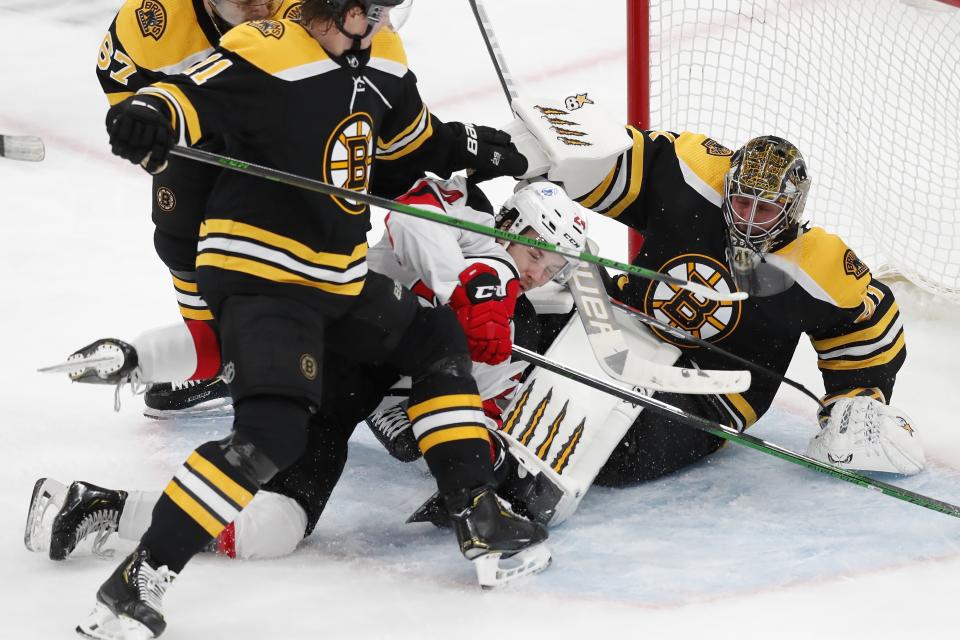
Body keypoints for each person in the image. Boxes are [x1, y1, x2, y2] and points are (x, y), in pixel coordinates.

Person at [73, 2, 545, 637]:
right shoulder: (269, 47)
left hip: (339, 279)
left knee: (432, 336)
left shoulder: (380, 58)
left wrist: (482, 148)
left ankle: (479, 514)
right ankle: (140, 578)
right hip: (261, 278)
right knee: (270, 434)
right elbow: (183, 96)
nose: (385, 24)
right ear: (348, 12)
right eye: (375, 12)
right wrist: (146, 116)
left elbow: (407, 146)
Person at [27, 177, 588, 563]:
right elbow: (410, 214)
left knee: (272, 532)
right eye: (537, 254)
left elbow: (462, 396)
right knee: (261, 338)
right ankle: (140, 359)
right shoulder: (471, 223)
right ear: (513, 221)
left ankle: (99, 505)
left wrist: (481, 455)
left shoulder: (518, 319)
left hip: (335, 408)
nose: (541, 273)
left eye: (554, 265)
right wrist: (468, 282)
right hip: (333, 318)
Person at [471, 132, 923, 530]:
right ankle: (467, 405)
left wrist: (858, 396)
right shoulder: (691, 172)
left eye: (764, 209)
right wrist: (544, 153)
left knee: (615, 458)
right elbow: (613, 157)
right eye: (742, 201)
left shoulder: (819, 266)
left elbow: (869, 322)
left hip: (712, 393)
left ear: (792, 209)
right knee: (505, 308)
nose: (747, 218)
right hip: (620, 320)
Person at [93, 0, 307, 417]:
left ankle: (343, 360)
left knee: (304, 235)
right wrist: (142, 125)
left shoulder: (312, 9)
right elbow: (120, 80)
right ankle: (212, 355)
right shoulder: (151, 20)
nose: (261, 6)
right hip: (200, 128)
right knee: (179, 234)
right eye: (243, 0)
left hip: (303, 127)